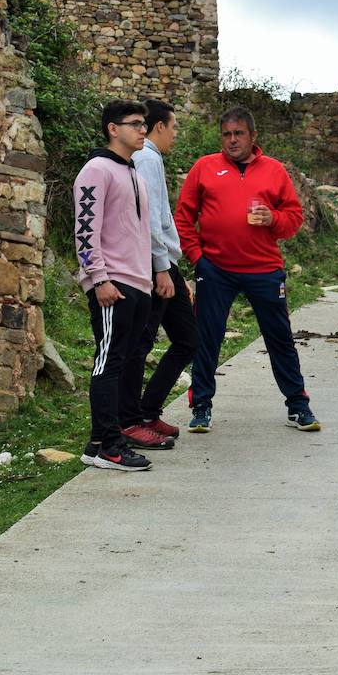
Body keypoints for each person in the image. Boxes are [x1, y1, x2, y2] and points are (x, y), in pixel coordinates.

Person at [173, 107, 320, 434]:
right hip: (217, 270)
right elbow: (183, 217)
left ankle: (298, 405)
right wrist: (198, 258)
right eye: (226, 134)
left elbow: (294, 219)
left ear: (253, 137)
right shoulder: (204, 168)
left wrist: (273, 219)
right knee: (207, 338)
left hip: (265, 269)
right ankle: (201, 406)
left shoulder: (274, 171)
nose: (232, 140)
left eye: (239, 133)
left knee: (280, 338)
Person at [75, 100, 154, 471]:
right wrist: (98, 279)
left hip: (138, 284)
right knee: (107, 362)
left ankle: (104, 439)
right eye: (136, 124)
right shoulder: (96, 170)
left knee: (121, 362)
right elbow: (85, 232)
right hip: (113, 284)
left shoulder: (135, 174)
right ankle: (106, 446)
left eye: (145, 124)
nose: (143, 130)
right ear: (113, 129)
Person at [119, 98, 198, 450]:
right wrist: (161, 269)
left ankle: (147, 410)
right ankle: (130, 420)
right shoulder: (147, 157)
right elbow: (148, 216)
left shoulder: (150, 158)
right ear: (160, 126)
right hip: (156, 264)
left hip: (166, 262)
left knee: (187, 339)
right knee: (141, 342)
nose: (176, 134)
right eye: (174, 126)